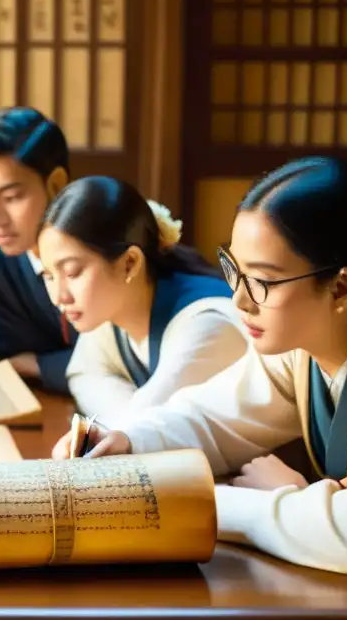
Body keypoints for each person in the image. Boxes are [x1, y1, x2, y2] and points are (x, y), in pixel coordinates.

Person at [64, 157, 347, 579]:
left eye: (262, 281)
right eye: (234, 269)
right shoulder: (298, 352)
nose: (238, 300)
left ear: (342, 288)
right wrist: (126, 443)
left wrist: (200, 501)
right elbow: (211, 418)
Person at [40, 176, 247, 436]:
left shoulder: (208, 325)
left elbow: (140, 426)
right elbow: (83, 375)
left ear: (130, 263)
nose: (59, 296)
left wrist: (125, 417)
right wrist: (129, 411)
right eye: (48, 275)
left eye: (72, 272)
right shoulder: (110, 307)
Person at [0, 107, 76, 392]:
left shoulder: (106, 245)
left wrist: (42, 365)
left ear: (56, 183)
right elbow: (12, 359)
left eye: (11, 197)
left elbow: (130, 362)